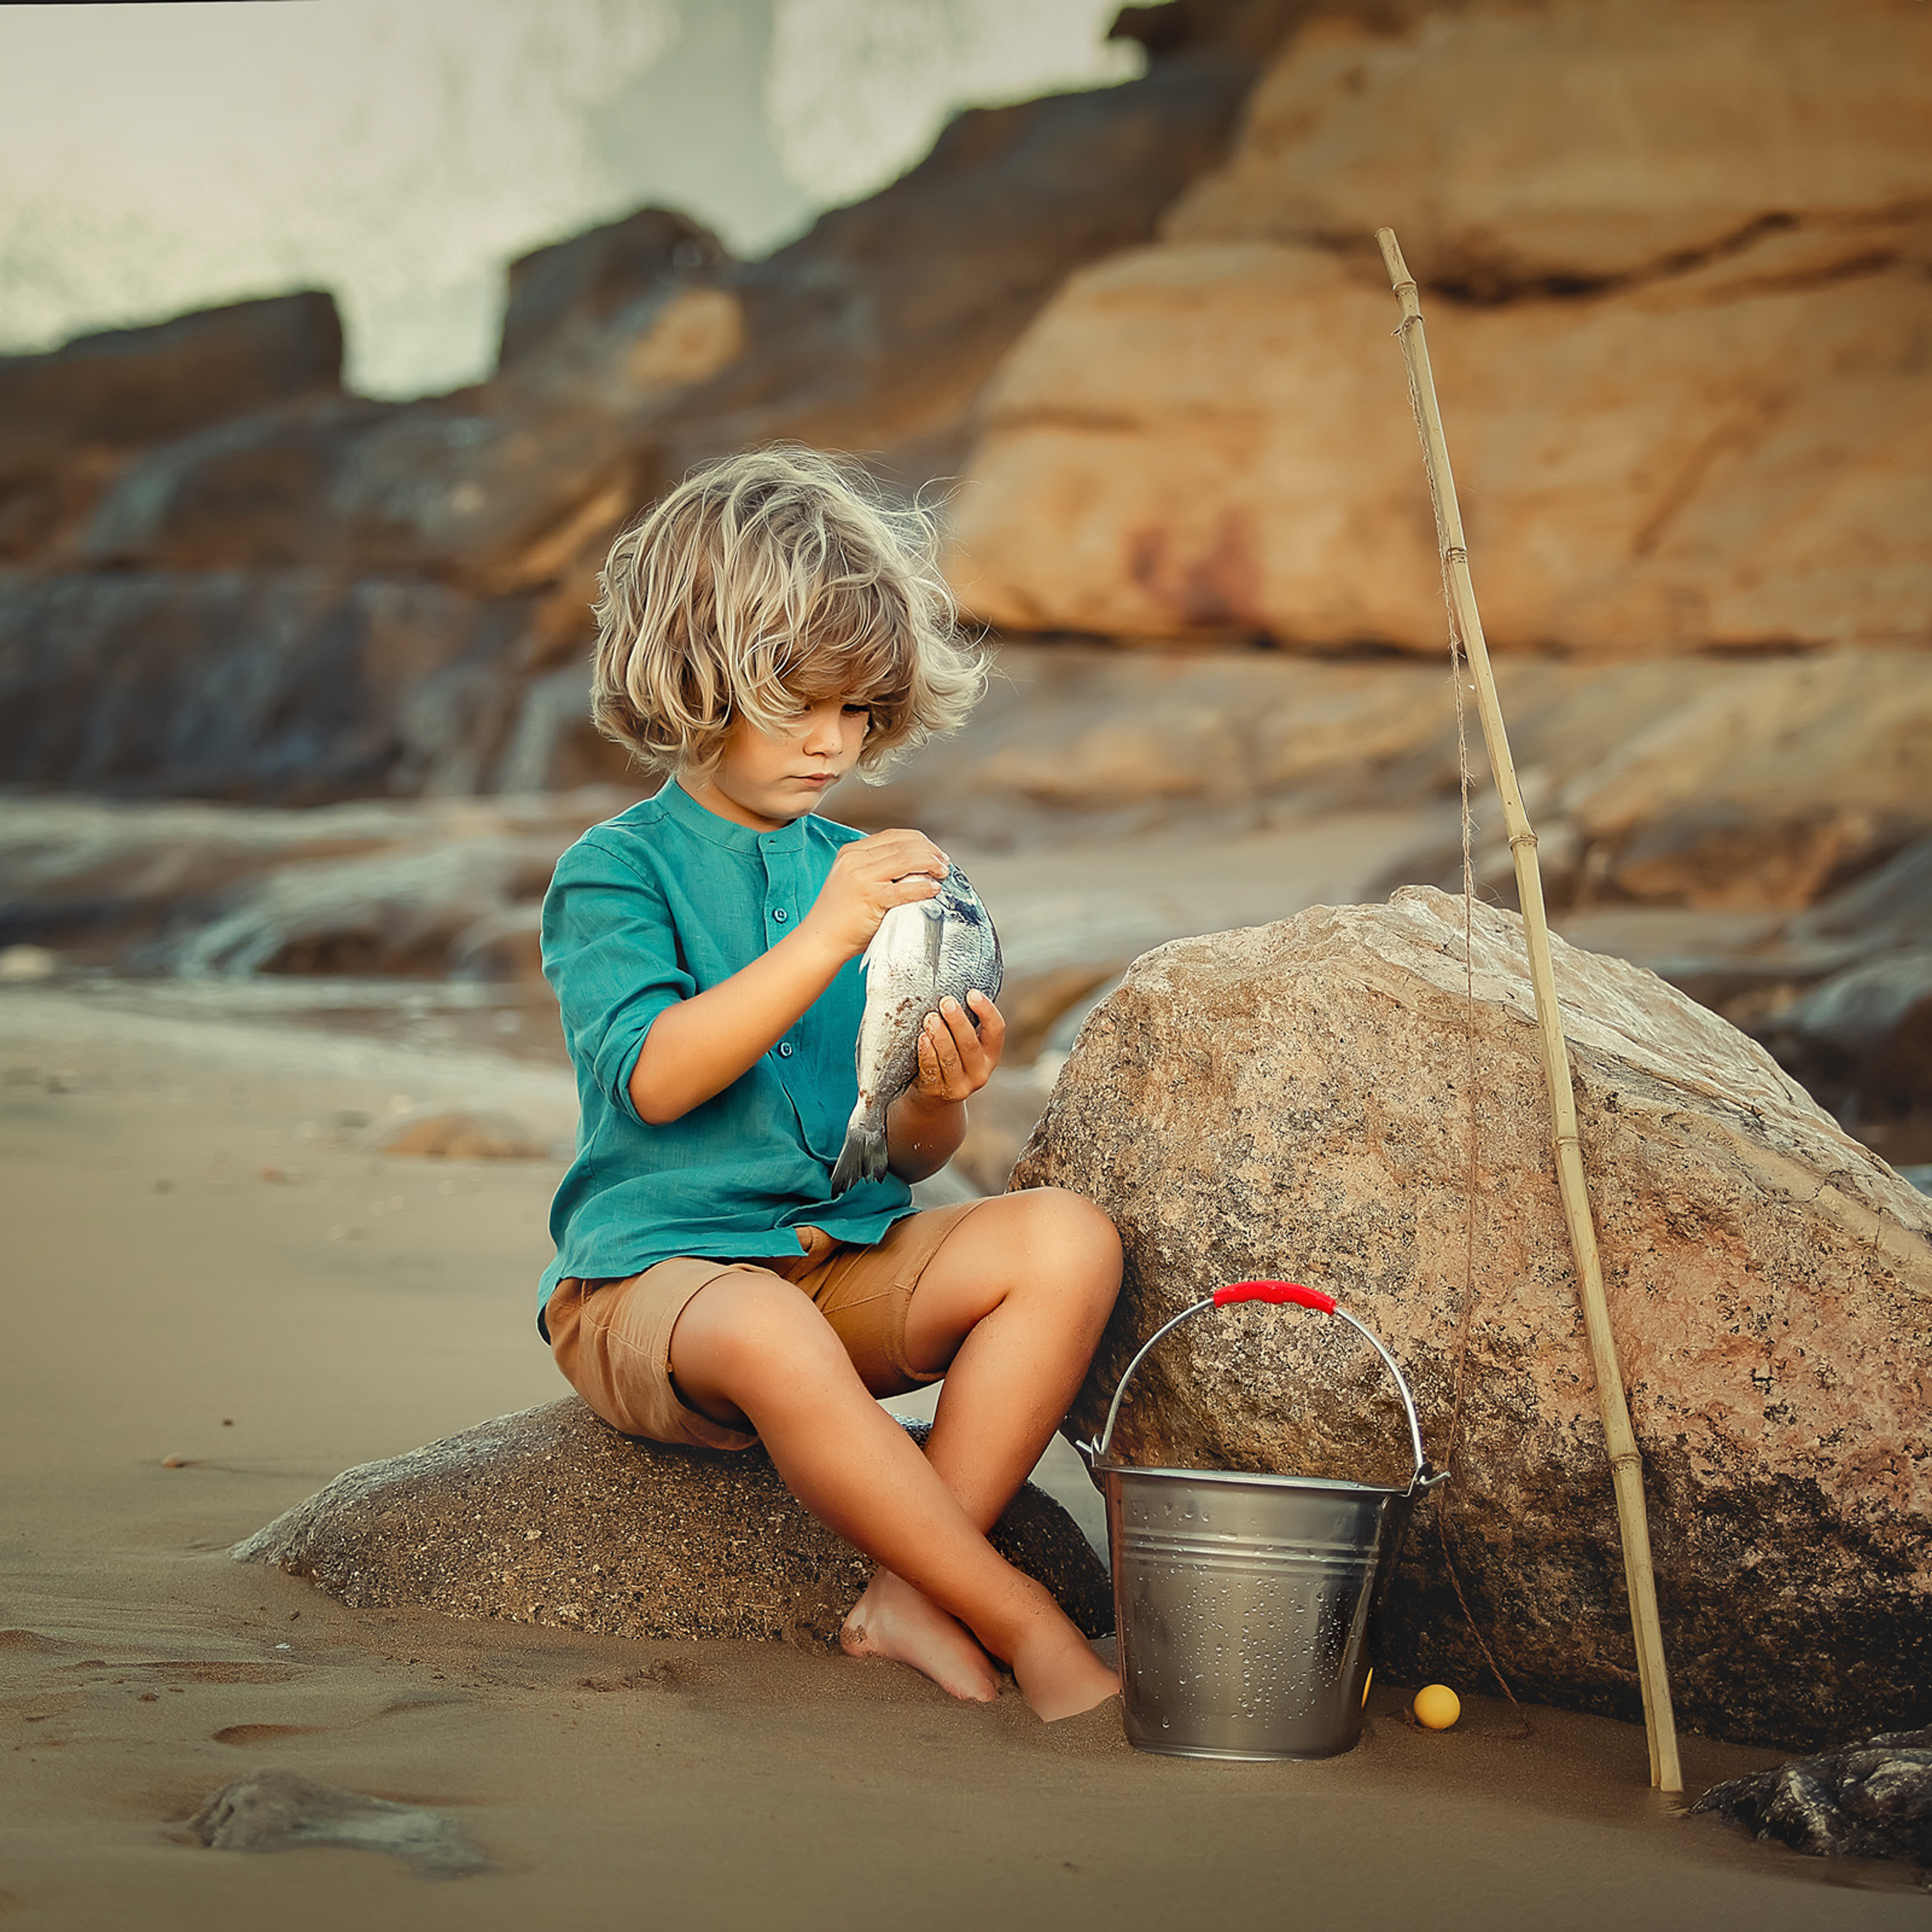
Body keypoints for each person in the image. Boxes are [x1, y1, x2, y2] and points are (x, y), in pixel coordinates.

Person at [537, 446, 1122, 1721]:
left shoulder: (860, 870)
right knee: (766, 1327)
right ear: (696, 676)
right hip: (659, 1288)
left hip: (830, 1256)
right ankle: (1013, 1611)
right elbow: (653, 1082)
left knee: (1068, 1240)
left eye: (859, 712)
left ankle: (909, 1591)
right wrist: (821, 940)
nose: (832, 742)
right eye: (797, 700)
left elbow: (895, 1158)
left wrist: (936, 1099)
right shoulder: (615, 871)